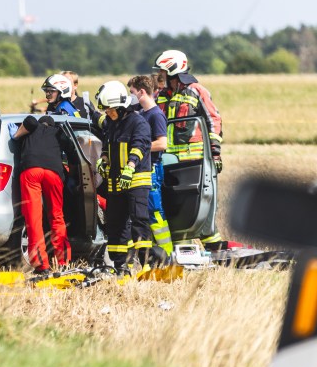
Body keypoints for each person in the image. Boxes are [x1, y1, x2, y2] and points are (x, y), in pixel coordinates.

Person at [153, 49, 225, 248]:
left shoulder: (196, 90)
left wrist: (215, 153)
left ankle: (215, 249)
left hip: (193, 160)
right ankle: (179, 249)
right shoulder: (161, 95)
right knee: (174, 207)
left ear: (173, 70)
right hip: (166, 160)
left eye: (162, 71)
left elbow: (213, 120)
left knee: (200, 208)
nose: (159, 75)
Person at [95, 80, 152, 271]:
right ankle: (121, 266)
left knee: (139, 221)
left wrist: (130, 167)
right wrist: (103, 159)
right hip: (116, 182)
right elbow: (106, 146)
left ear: (121, 106)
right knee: (116, 224)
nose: (108, 114)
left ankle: (145, 265)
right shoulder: (112, 124)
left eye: (110, 110)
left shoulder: (138, 122)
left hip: (135, 181)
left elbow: (140, 145)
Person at [13, 114, 79, 274]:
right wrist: (70, 174)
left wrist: (16, 135)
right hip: (54, 173)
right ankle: (63, 262)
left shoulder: (30, 130)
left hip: (31, 171)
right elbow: (74, 155)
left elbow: (28, 121)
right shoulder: (58, 132)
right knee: (57, 216)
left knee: (34, 218)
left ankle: (42, 265)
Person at [127, 74, 172, 260]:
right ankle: (152, 254)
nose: (131, 96)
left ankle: (167, 254)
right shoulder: (142, 113)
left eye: (132, 93)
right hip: (144, 168)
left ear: (142, 92)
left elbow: (162, 144)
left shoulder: (155, 115)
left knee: (155, 214)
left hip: (153, 168)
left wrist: (139, 147)